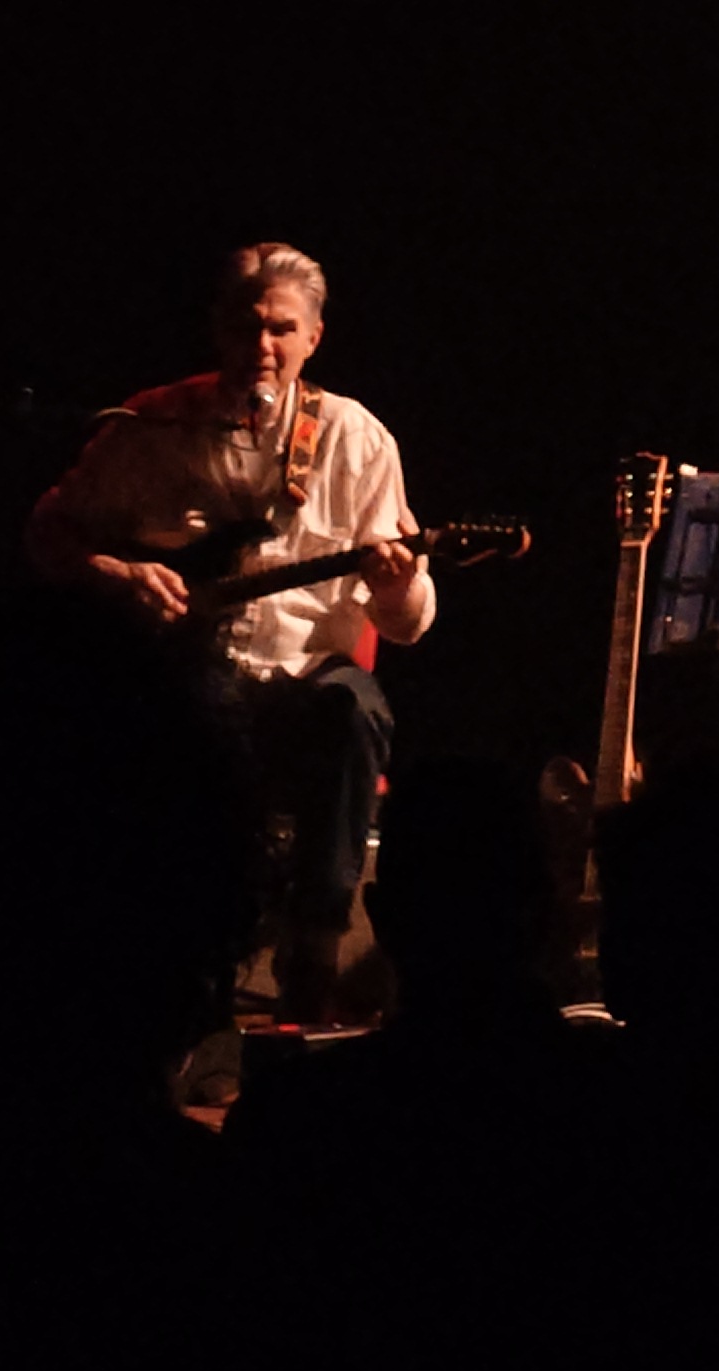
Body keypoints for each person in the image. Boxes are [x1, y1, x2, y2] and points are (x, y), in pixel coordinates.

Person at [26, 242, 431, 1018]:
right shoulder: (151, 424)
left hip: (301, 687)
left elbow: (407, 625)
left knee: (356, 709)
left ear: (314, 337)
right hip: (181, 681)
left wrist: (397, 581)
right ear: (217, 328)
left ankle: (314, 951)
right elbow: (48, 532)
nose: (263, 347)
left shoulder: (357, 440)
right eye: (247, 327)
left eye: (282, 329)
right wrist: (118, 573)